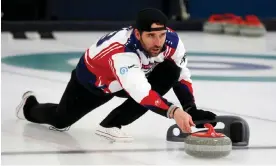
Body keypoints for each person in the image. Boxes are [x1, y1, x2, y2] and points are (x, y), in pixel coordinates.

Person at [16, 8, 216, 142]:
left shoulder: (171, 41)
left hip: (131, 78)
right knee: (61, 120)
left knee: (171, 70)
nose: (158, 42)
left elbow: (182, 74)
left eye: (161, 35)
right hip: (93, 82)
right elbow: (142, 94)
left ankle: (111, 124)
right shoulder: (122, 52)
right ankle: (28, 106)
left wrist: (190, 107)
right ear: (138, 34)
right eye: (151, 36)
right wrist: (174, 112)